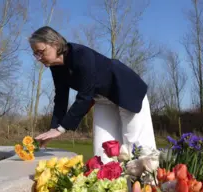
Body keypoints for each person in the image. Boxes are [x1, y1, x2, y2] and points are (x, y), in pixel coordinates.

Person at [30, 26, 156, 162]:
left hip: (127, 91)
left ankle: (146, 181)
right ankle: (108, 182)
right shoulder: (56, 68)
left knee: (137, 147)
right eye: (35, 54)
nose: (39, 58)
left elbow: (85, 95)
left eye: (41, 52)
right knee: (103, 151)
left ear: (54, 44)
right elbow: (60, 98)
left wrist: (62, 129)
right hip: (103, 99)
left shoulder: (81, 55)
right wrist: (53, 128)